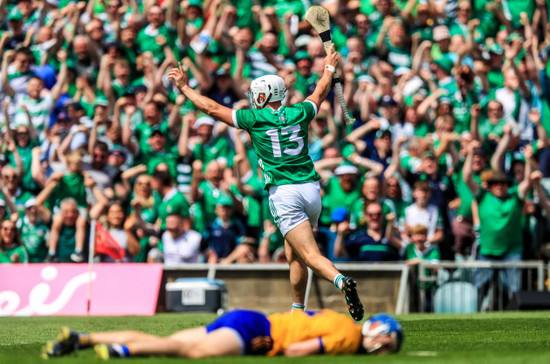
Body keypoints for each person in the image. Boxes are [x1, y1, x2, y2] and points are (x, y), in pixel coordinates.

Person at [168, 45, 364, 320]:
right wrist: (329, 66)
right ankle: (297, 310)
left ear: (263, 95)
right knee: (293, 253)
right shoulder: (299, 112)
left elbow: (211, 108)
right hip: (311, 190)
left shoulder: (254, 118)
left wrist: (185, 88)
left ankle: (342, 281)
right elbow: (319, 91)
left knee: (309, 255)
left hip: (284, 192)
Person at [43, 310, 403, 359]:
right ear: (377, 331)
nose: (387, 349)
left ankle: (84, 338)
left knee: (181, 340)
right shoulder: (351, 339)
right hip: (258, 331)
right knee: (191, 351)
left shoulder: (341, 320)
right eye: (389, 342)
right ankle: (126, 351)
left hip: (252, 318)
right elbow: (298, 351)